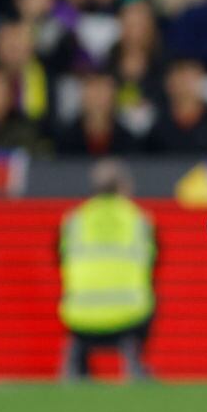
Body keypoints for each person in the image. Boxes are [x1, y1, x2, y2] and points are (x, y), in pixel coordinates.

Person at [58, 159, 156, 380]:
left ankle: (78, 365)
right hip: (130, 316)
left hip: (79, 316)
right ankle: (136, 362)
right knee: (150, 293)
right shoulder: (139, 219)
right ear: (123, 187)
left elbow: (61, 260)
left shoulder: (75, 220)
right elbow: (152, 264)